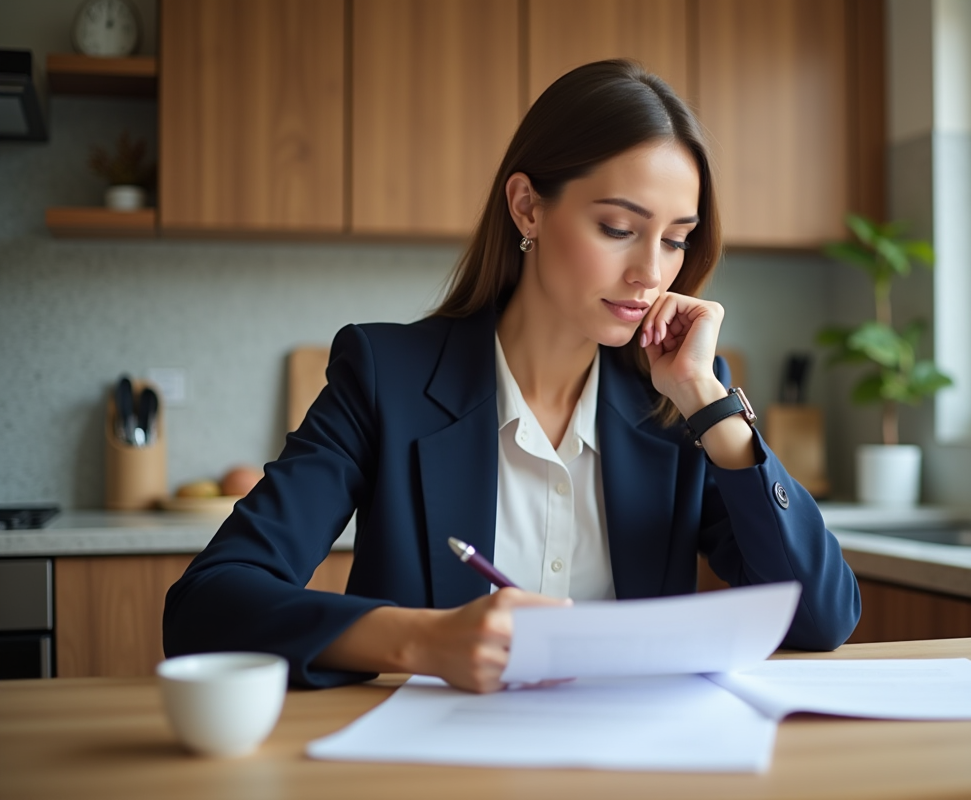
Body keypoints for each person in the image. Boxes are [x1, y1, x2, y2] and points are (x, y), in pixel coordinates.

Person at [163, 59, 861, 693]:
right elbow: (208, 605)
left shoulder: (683, 399)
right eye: (619, 227)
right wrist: (423, 639)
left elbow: (821, 617)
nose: (653, 271)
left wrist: (712, 407)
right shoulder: (385, 378)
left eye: (676, 238)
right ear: (527, 205)